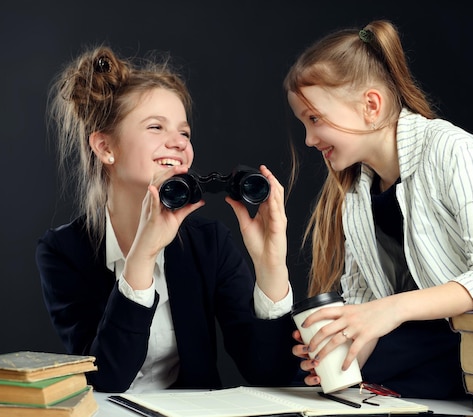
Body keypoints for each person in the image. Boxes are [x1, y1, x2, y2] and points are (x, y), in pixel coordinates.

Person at [284, 20, 473, 399]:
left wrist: (390, 311)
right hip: (448, 339)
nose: (310, 139)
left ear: (371, 106)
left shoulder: (451, 151)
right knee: (307, 384)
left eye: (314, 120)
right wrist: (344, 354)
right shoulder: (356, 192)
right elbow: (363, 300)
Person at [36, 45, 299, 393]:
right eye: (156, 127)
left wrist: (271, 267)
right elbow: (106, 379)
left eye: (185, 133)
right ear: (105, 147)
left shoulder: (208, 242)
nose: (178, 143)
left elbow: (269, 374)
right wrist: (142, 258)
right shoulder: (63, 251)